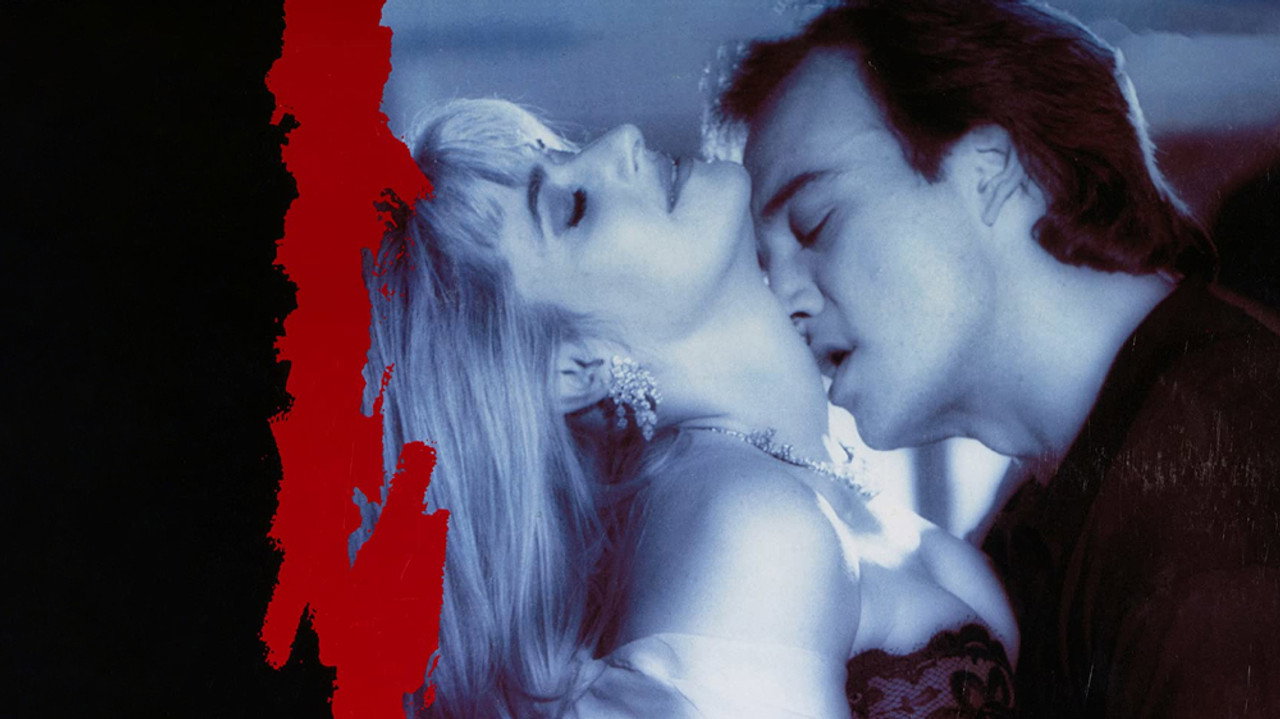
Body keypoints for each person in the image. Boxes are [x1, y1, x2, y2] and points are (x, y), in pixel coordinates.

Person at [363, 98, 1019, 718]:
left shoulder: (778, 486)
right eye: (573, 210)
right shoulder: (749, 522)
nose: (621, 141)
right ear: (578, 367)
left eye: (562, 151)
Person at [718, 1, 1280, 716]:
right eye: (764, 266)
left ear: (991, 171)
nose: (784, 301)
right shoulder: (1046, 514)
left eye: (814, 222)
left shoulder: (1233, 474)